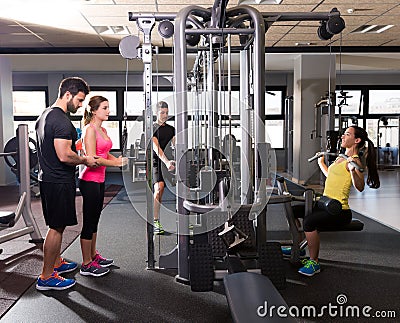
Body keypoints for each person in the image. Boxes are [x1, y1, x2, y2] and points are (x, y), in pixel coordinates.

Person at [35, 77, 98, 291]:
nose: (81, 105)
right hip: (58, 181)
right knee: (56, 228)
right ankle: (46, 277)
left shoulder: (44, 115)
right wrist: (84, 159)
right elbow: (64, 155)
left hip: (48, 179)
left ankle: (56, 262)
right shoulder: (61, 120)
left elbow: (54, 149)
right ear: (68, 95)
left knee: (56, 225)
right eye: (79, 100)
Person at [296, 125, 380, 276]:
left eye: (347, 134)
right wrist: (321, 162)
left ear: (357, 140)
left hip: (339, 210)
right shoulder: (341, 158)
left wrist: (354, 172)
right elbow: (331, 176)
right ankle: (299, 247)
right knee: (294, 210)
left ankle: (314, 262)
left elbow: (360, 187)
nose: (342, 136)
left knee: (309, 221)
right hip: (326, 203)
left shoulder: (355, 162)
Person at [79, 96, 127, 276]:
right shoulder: (89, 130)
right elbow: (93, 159)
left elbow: (106, 154)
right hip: (89, 180)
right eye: (105, 108)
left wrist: (121, 160)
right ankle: (86, 264)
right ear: (94, 110)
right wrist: (116, 165)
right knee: (89, 221)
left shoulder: (103, 129)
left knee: (95, 220)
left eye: (108, 108)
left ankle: (93, 256)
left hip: (99, 181)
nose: (108, 111)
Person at [152, 101, 175, 234]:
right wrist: (166, 162)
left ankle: (184, 219)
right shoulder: (152, 127)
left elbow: (176, 145)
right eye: (162, 113)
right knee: (159, 188)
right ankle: (156, 221)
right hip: (158, 161)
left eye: (166, 112)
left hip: (170, 161)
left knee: (184, 188)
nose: (165, 115)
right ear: (156, 113)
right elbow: (157, 148)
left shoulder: (171, 129)